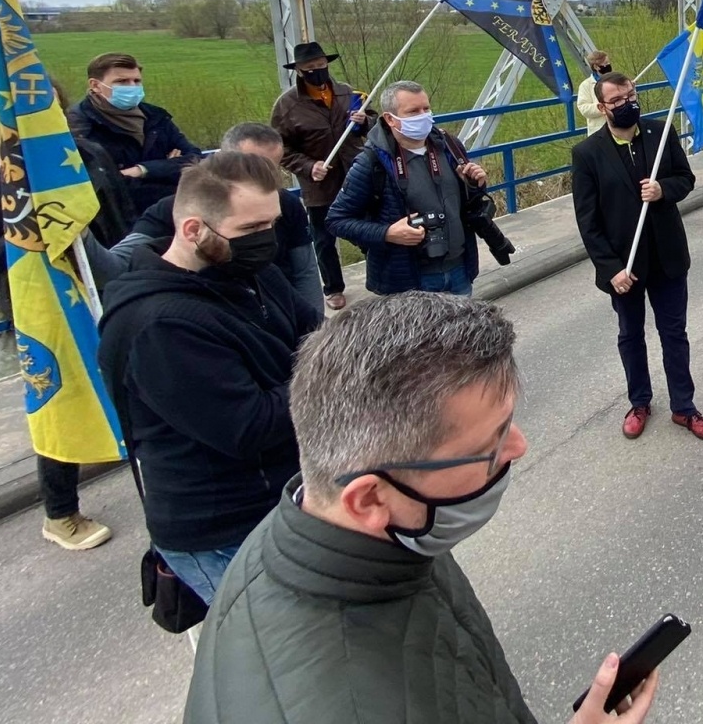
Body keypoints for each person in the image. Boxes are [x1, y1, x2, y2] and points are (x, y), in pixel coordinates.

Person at [182, 292, 659, 724]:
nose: (520, 446)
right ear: (369, 498)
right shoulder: (346, 702)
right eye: (492, 444)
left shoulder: (351, 534)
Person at [98, 150, 321, 604]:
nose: (267, 240)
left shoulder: (252, 275)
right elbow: (250, 425)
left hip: (286, 498)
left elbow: (316, 338)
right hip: (224, 529)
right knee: (276, 658)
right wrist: (334, 379)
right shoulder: (160, 324)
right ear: (194, 229)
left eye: (272, 224)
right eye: (251, 230)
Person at [0, 83, 125, 552]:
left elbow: (117, 219)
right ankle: (61, 513)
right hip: (38, 308)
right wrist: (26, 237)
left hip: (103, 285)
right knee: (58, 399)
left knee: (134, 376)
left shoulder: (84, 156)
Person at [570, 71, 703, 442]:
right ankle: (639, 402)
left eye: (629, 95)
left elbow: (686, 179)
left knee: (674, 335)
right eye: (616, 101)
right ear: (602, 108)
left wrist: (662, 190)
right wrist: (611, 269)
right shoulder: (587, 154)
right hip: (626, 267)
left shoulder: (660, 132)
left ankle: (684, 408)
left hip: (668, 259)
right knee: (630, 336)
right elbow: (588, 222)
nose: (626, 104)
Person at [113, 123, 324, 315]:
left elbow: (305, 271)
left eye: (271, 169)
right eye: (250, 227)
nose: (261, 178)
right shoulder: (171, 319)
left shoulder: (269, 273)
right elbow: (114, 264)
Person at [326, 81, 504, 297]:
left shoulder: (449, 146)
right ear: (390, 119)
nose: (423, 116)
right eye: (413, 112)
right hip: (408, 282)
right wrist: (387, 233)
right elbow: (336, 220)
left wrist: (474, 185)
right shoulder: (371, 162)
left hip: (459, 271)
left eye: (426, 109)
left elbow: (466, 205)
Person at [270, 40, 372, 310]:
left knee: (367, 226)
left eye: (320, 65)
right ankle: (333, 288)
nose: (317, 70)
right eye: (310, 68)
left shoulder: (346, 92)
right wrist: (307, 166)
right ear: (299, 71)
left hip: (355, 174)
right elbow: (280, 149)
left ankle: (379, 270)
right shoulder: (287, 106)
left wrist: (364, 123)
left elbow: (370, 124)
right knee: (324, 238)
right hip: (319, 185)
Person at [66, 52, 200, 222]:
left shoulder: (156, 117)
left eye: (136, 81)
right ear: (95, 85)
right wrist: (170, 168)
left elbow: (195, 160)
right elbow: (105, 185)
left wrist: (142, 170)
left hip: (172, 215)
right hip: (117, 224)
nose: (132, 87)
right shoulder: (78, 126)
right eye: (122, 82)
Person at [577, 49, 614, 135]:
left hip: (619, 128)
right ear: (596, 67)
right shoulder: (586, 85)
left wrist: (629, 88)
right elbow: (584, 109)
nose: (608, 65)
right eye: (605, 63)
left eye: (608, 62)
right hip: (599, 131)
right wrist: (604, 106)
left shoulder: (617, 80)